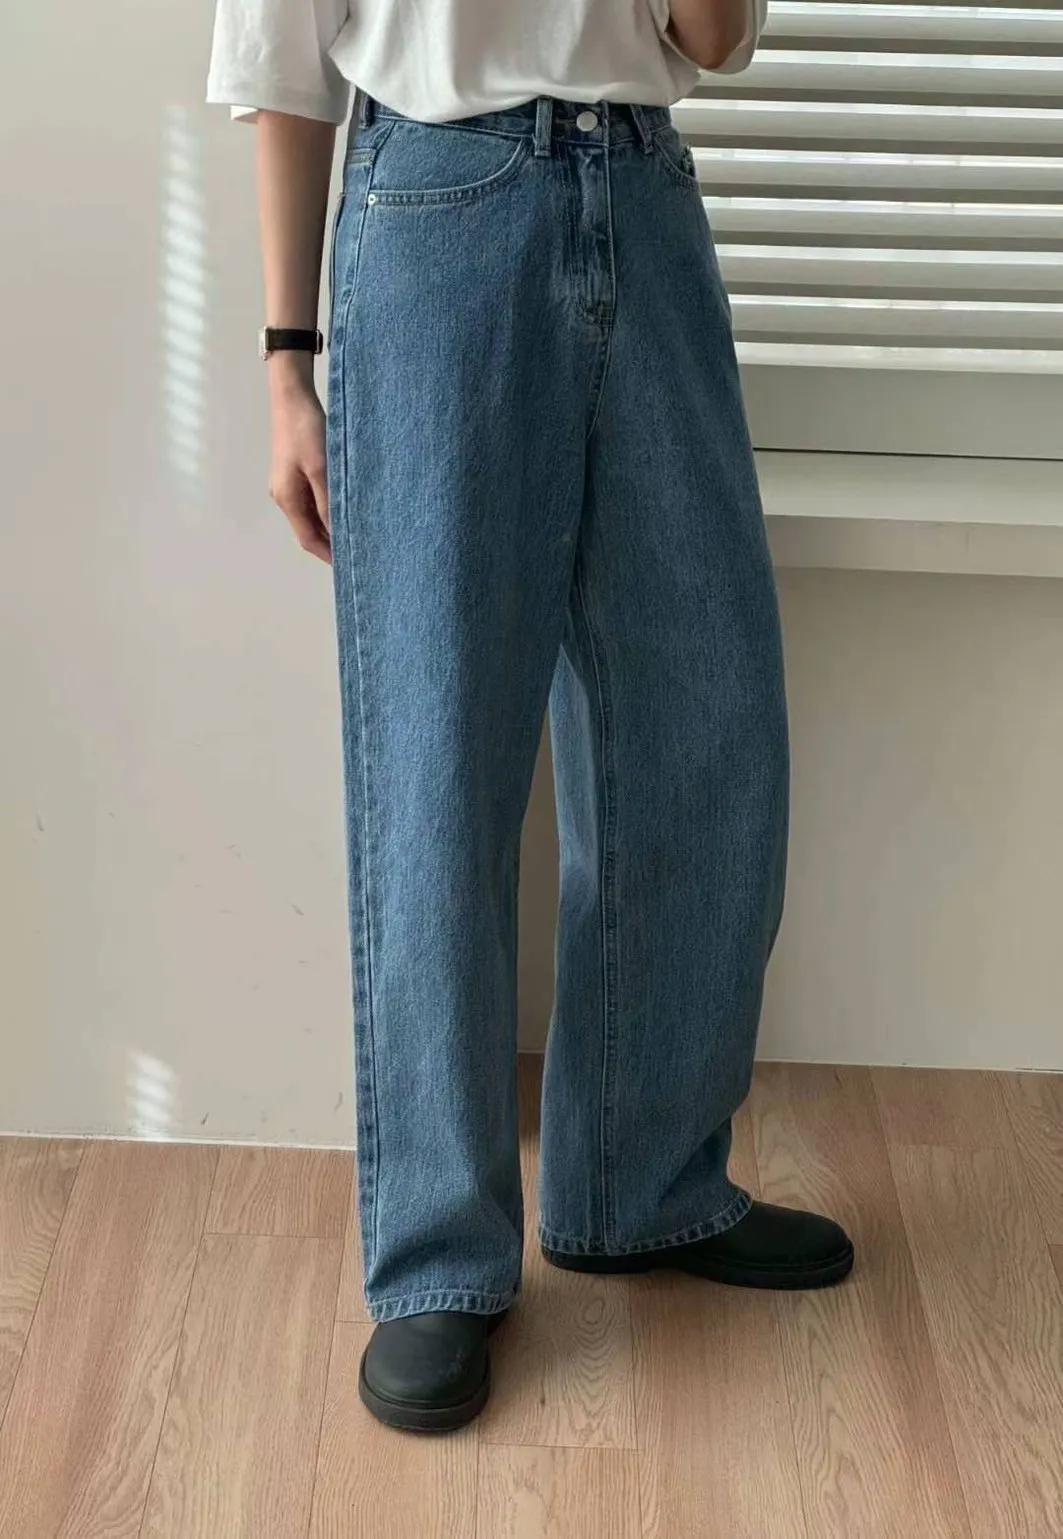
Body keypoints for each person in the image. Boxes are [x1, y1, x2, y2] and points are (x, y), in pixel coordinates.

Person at [207, 0, 854, 1434]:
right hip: (437, 205)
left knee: (702, 729)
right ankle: (437, 1254)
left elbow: (708, 36)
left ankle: (641, 1184)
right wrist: (285, 363)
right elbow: (279, 57)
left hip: (645, 197)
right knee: (437, 756)